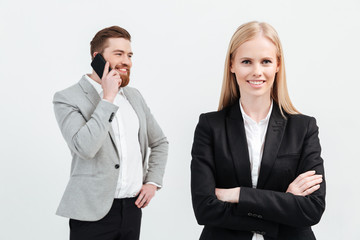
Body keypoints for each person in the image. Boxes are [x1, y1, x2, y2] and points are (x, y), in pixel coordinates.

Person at [191, 21, 325, 240]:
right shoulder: (210, 126)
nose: (257, 71)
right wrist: (284, 201)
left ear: (277, 65)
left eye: (265, 61)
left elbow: (312, 209)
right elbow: (204, 208)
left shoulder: (304, 128)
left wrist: (238, 194)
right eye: (246, 61)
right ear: (232, 65)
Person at [53, 26, 168, 240]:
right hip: (91, 214)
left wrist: (153, 182)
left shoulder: (134, 97)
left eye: (129, 55)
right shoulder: (67, 98)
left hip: (132, 210)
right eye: (118, 54)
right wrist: (108, 98)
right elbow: (85, 148)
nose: (127, 61)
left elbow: (160, 142)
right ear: (98, 58)